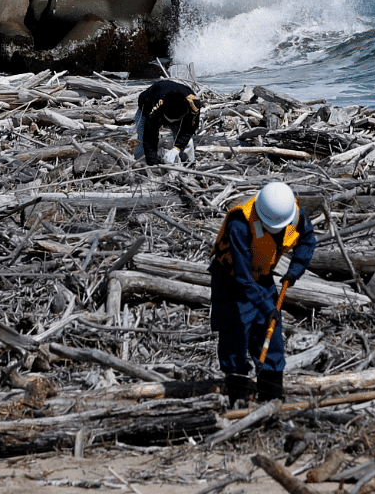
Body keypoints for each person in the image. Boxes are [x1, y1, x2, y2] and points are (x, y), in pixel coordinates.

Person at [208, 182, 316, 405]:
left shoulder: (293, 214)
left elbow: (307, 240)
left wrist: (293, 272)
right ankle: (237, 400)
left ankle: (271, 399)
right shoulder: (240, 224)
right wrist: (268, 307)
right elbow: (243, 278)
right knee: (235, 335)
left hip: (263, 277)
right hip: (232, 281)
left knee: (270, 333)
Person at [135, 80, 202, 166]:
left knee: (187, 143)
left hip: (173, 105)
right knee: (142, 142)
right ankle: (141, 166)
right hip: (148, 103)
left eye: (175, 121)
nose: (171, 124)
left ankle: (189, 165)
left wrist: (176, 149)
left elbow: (189, 130)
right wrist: (153, 165)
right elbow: (149, 138)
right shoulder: (153, 108)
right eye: (170, 121)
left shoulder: (194, 105)